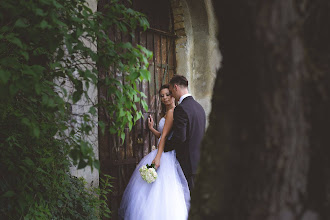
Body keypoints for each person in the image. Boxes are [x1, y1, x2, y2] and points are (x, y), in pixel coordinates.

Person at [118, 84, 190, 220]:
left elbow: (164, 138)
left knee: (163, 190)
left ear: (173, 94)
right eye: (162, 96)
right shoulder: (168, 113)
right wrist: (152, 129)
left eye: (167, 94)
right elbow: (164, 135)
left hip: (165, 155)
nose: (164, 98)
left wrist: (158, 157)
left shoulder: (173, 112)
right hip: (162, 151)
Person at [164, 75, 206, 191]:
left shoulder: (181, 108)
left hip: (187, 164)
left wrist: (164, 147)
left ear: (176, 87)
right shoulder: (199, 108)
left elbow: (180, 137)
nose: (172, 95)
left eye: (171, 91)